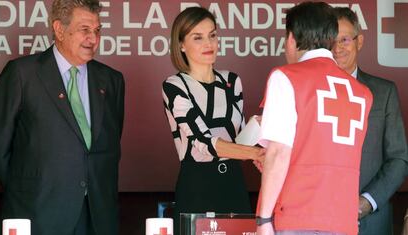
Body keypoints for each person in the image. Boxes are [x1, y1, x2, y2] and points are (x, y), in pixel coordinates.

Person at [0, 0, 125, 234]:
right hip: (38, 212)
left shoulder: (112, 80)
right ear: (59, 29)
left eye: (97, 31)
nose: (93, 39)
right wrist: (29, 190)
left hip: (97, 217)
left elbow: (110, 147)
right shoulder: (22, 74)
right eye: (85, 30)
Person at [256, 2, 373, 235]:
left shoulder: (286, 77)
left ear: (291, 38)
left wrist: (263, 219)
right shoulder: (362, 93)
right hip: (344, 221)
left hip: (297, 215)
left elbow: (279, 152)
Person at [162, 6, 264, 234]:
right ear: (181, 45)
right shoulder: (174, 85)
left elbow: (240, 140)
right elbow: (203, 142)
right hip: (197, 185)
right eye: (197, 37)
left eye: (212, 35)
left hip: (234, 183)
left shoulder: (232, 81)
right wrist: (255, 154)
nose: (208, 43)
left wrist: (261, 137)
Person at [331, 7, 408, 235]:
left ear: (359, 41)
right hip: (319, 219)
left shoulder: (384, 93)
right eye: (330, 41)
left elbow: (399, 159)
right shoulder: (310, 92)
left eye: (344, 39)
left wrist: (366, 202)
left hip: (371, 220)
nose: (337, 48)